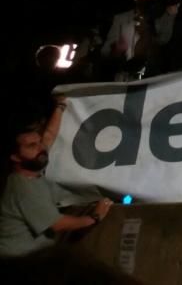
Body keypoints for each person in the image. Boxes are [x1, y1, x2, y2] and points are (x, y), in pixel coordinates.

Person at [0, 100, 111, 256]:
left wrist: (60, 107)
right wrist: (94, 217)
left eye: (38, 142)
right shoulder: (22, 185)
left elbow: (49, 136)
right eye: (32, 146)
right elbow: (57, 224)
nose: (41, 148)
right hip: (18, 265)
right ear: (15, 157)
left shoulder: (33, 168)